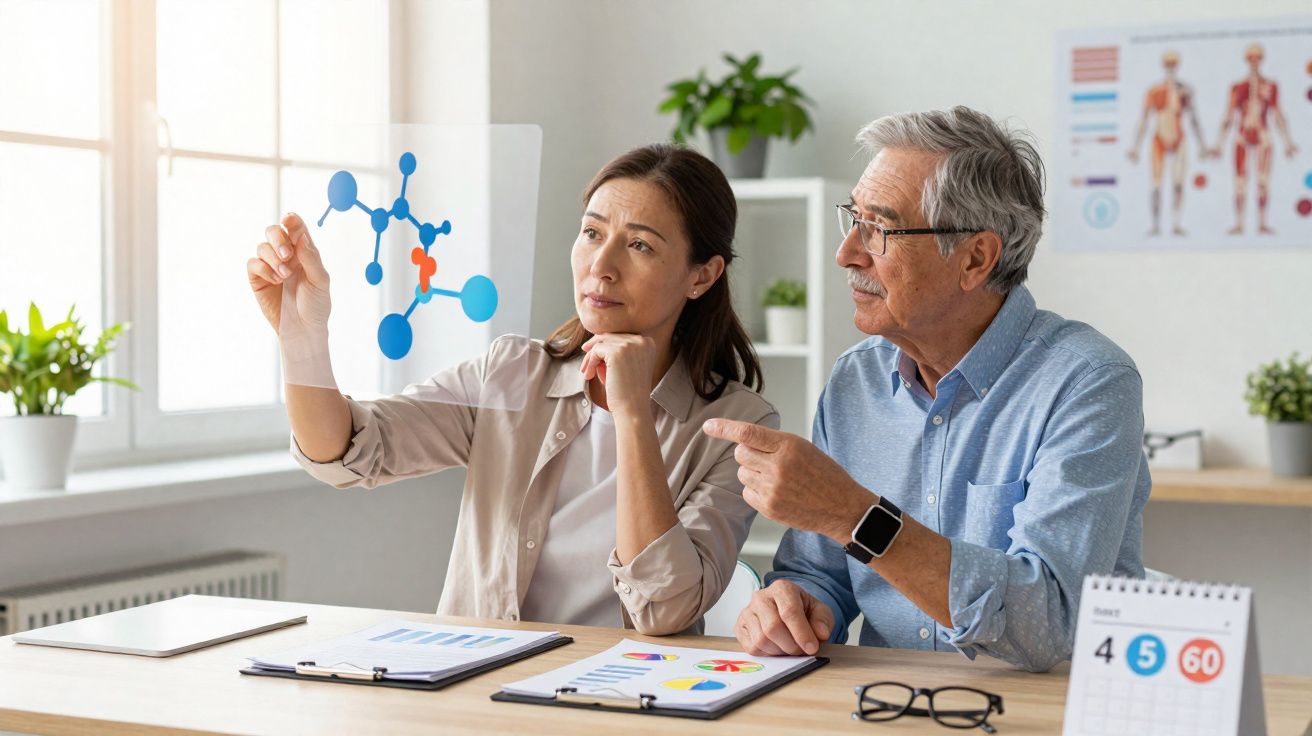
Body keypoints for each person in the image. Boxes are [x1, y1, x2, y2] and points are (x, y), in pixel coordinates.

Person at [246, 143, 778, 635]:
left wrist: (633, 412)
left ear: (701, 276)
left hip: (619, 692)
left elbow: (665, 610)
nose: (601, 266)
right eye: (592, 233)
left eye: (639, 244)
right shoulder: (511, 373)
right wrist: (302, 335)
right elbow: (345, 452)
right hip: (477, 683)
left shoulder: (737, 428)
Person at [705, 106, 1150, 672]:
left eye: (879, 229)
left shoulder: (1088, 382)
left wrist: (854, 515)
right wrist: (792, 606)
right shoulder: (855, 380)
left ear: (975, 259)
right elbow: (819, 574)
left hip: (1042, 707)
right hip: (888, 703)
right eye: (853, 219)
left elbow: (1048, 619)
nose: (847, 254)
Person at [1210, 43, 1299, 235]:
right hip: (1242, 135)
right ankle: (1239, 223)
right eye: (1251, 58)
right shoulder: (1237, 87)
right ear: (1246, 60)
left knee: (1263, 182)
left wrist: (1287, 142)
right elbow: (1228, 116)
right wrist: (1219, 143)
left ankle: (1262, 223)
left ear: (1262, 60)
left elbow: (1278, 114)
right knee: (1240, 183)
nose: (1254, 61)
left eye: (1257, 58)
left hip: (1263, 135)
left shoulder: (1271, 86)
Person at [1126, 50, 1207, 236]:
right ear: (1164, 66)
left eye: (1173, 64)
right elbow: (1144, 119)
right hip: (1159, 139)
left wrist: (1202, 145)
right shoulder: (1154, 91)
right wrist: (1135, 147)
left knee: (1178, 183)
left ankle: (1176, 223)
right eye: (1168, 64)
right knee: (1156, 185)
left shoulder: (1185, 90)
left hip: (1179, 139)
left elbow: (1193, 118)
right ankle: (1155, 225)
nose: (1171, 67)